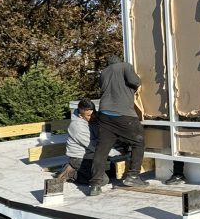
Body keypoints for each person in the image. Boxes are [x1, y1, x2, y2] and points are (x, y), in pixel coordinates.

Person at [88, 55, 148, 196]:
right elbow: (135, 81)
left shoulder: (103, 72)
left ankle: (95, 184)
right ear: (119, 61)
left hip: (105, 114)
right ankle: (133, 176)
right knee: (138, 141)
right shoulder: (125, 66)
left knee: (102, 150)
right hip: (123, 114)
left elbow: (103, 87)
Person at [56, 97, 104, 185]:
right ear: (80, 116)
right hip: (80, 158)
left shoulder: (93, 120)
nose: (93, 117)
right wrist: (110, 151)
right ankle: (71, 173)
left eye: (94, 114)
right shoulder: (77, 126)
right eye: (89, 116)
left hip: (92, 155)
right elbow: (92, 145)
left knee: (112, 171)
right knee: (101, 180)